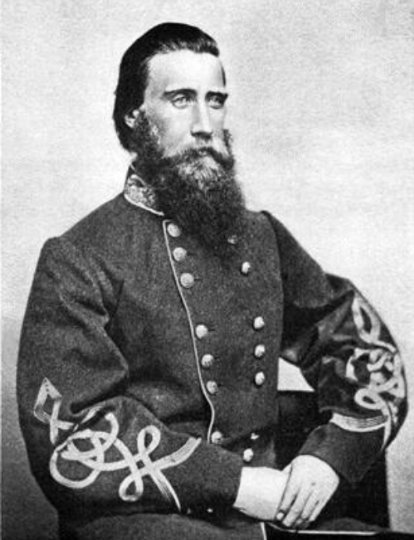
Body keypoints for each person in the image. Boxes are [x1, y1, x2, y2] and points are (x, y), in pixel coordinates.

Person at [17, 22, 408, 540]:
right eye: (181, 99)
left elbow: (362, 350)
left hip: (267, 517)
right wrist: (236, 483)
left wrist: (331, 456)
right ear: (135, 115)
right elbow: (70, 435)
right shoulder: (78, 256)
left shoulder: (261, 236)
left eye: (215, 100)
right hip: (142, 524)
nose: (205, 124)